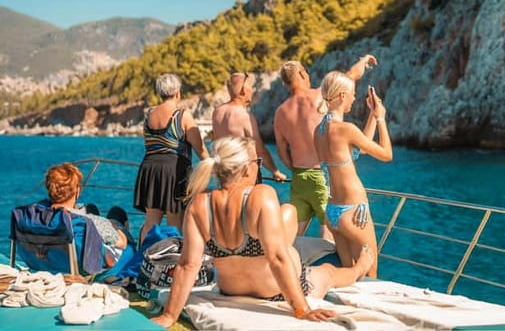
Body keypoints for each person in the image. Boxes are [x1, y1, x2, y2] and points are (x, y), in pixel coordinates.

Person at [151, 137, 374, 328]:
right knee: (328, 272)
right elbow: (277, 259)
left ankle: (347, 265)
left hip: (230, 290)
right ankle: (359, 268)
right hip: (273, 291)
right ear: (247, 168)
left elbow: (188, 265)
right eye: (257, 162)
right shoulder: (261, 196)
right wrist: (301, 309)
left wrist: (169, 315)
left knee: (287, 216)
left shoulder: (199, 203)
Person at [274, 55, 377, 240]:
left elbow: (281, 151)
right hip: (322, 176)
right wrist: (363, 61)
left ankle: (290, 267)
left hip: (299, 177)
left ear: (285, 83)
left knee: (294, 236)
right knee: (329, 233)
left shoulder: (281, 111)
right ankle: (328, 269)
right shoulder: (320, 96)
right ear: (301, 74)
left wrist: (296, 169)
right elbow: (349, 77)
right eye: (305, 71)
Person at [314, 71, 392, 278]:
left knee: (349, 273)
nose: (354, 99)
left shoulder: (319, 131)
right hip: (354, 211)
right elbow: (386, 154)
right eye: (352, 94)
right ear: (341, 96)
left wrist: (372, 116)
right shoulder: (345, 129)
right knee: (370, 273)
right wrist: (381, 118)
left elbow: (360, 149)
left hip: (333, 212)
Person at [134, 73, 209, 244]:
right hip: (175, 171)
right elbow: (200, 148)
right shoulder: (182, 115)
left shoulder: (149, 114)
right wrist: (213, 165)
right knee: (175, 222)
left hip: (150, 169)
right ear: (177, 91)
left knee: (151, 221)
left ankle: (143, 258)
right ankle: (171, 260)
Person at [41, 163, 131, 269]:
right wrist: (116, 226)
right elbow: (122, 243)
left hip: (49, 262)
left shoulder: (37, 216)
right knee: (117, 215)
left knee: (91, 208)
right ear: (77, 191)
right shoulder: (89, 221)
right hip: (87, 268)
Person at [212, 72, 287, 183]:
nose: (253, 90)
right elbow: (259, 149)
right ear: (243, 90)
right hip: (244, 174)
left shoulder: (217, 112)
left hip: (224, 173)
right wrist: (275, 171)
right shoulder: (244, 116)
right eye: (250, 87)